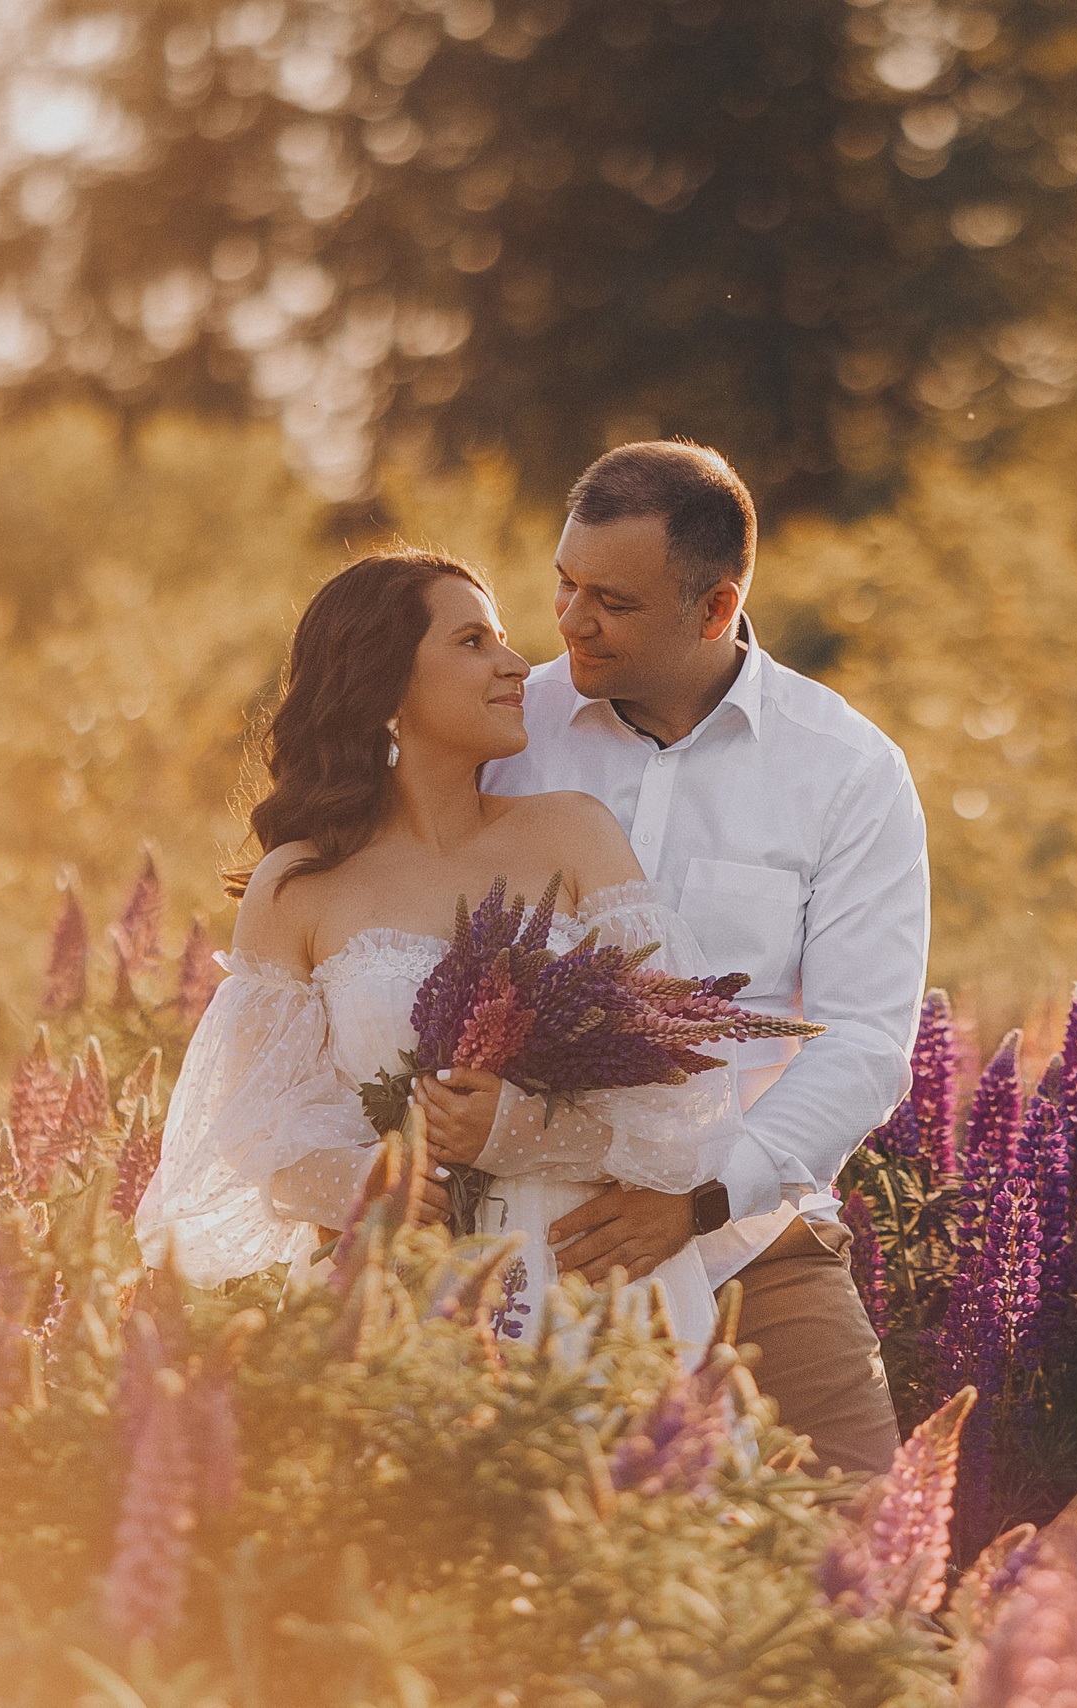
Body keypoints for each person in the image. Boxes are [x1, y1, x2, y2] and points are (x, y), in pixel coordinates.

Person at [449, 439, 930, 1476]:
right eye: (566, 583)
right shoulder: (502, 729)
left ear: (715, 609)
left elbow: (862, 1043)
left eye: (612, 602)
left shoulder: (846, 770)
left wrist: (699, 1197)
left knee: (857, 1523)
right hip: (516, 1235)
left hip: (745, 1238)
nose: (570, 620)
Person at [134, 550, 744, 1348]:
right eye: (472, 642)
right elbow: (254, 1135)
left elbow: (687, 1102)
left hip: (581, 1293)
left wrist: (518, 1130)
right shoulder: (297, 885)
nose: (516, 664)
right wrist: (364, 1181)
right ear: (383, 682)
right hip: (396, 1304)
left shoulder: (573, 833)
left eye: (502, 640)